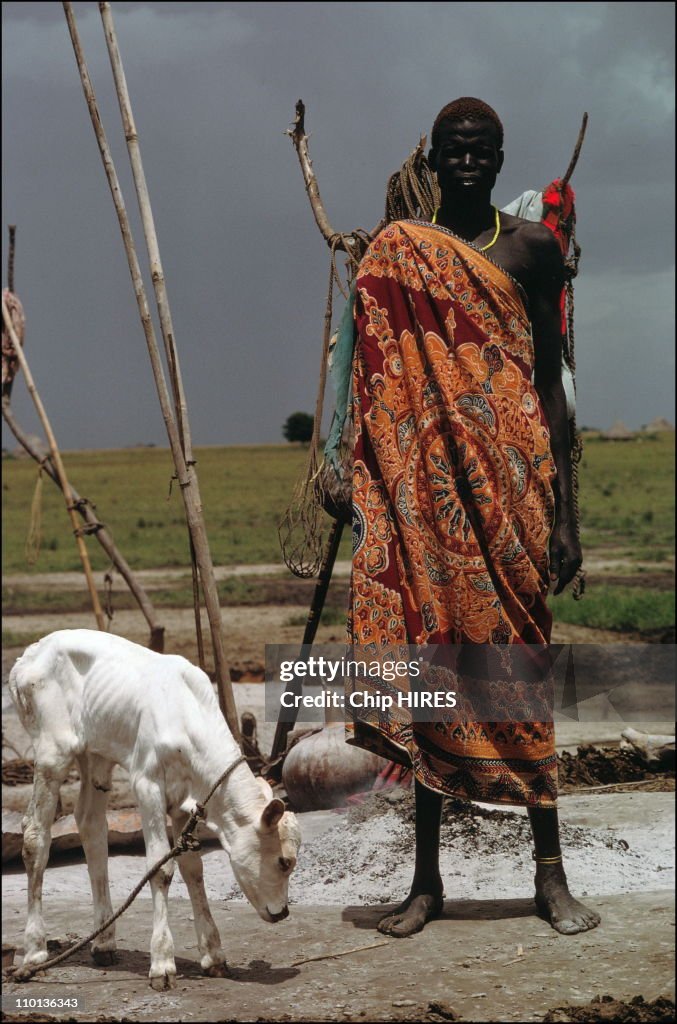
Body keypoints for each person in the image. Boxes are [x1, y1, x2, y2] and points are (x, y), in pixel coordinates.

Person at [346, 97, 600, 937]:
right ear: (433, 156)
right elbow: (377, 373)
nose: (467, 162)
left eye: (480, 151)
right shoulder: (398, 252)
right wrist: (365, 477)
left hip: (512, 497)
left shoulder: (533, 251)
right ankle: (426, 885)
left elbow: (549, 391)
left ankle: (549, 876)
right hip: (427, 510)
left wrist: (563, 518)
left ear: (498, 159)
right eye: (453, 150)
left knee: (518, 678)